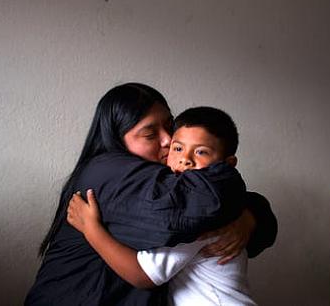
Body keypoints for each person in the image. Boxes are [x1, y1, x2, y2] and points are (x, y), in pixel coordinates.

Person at [25, 83, 277, 305]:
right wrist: (245, 212)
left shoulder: (168, 181)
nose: (168, 140)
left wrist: (249, 216)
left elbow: (224, 211)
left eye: (170, 126)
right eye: (150, 133)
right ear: (117, 138)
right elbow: (200, 207)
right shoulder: (109, 172)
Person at [67, 107, 257, 306]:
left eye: (201, 152)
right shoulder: (210, 203)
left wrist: (91, 229)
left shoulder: (199, 214)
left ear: (228, 164)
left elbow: (142, 275)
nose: (185, 159)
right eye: (178, 148)